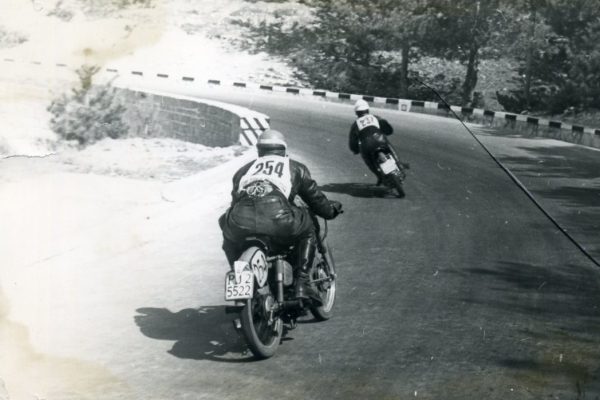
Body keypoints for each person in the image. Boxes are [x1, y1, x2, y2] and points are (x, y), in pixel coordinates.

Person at [219, 129, 343, 304]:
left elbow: (235, 202)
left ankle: (239, 274)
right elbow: (315, 199)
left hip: (240, 221)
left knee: (226, 227)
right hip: (279, 220)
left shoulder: (242, 171)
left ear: (259, 150)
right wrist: (330, 211)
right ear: (283, 150)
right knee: (308, 226)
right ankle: (302, 281)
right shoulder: (295, 167)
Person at [348, 99, 406, 185]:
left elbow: (352, 140)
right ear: (367, 109)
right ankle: (399, 165)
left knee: (367, 159)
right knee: (389, 147)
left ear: (357, 112)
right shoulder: (375, 117)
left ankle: (379, 176)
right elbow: (388, 128)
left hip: (366, 144)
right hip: (379, 138)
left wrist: (355, 150)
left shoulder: (355, 124)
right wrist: (387, 132)